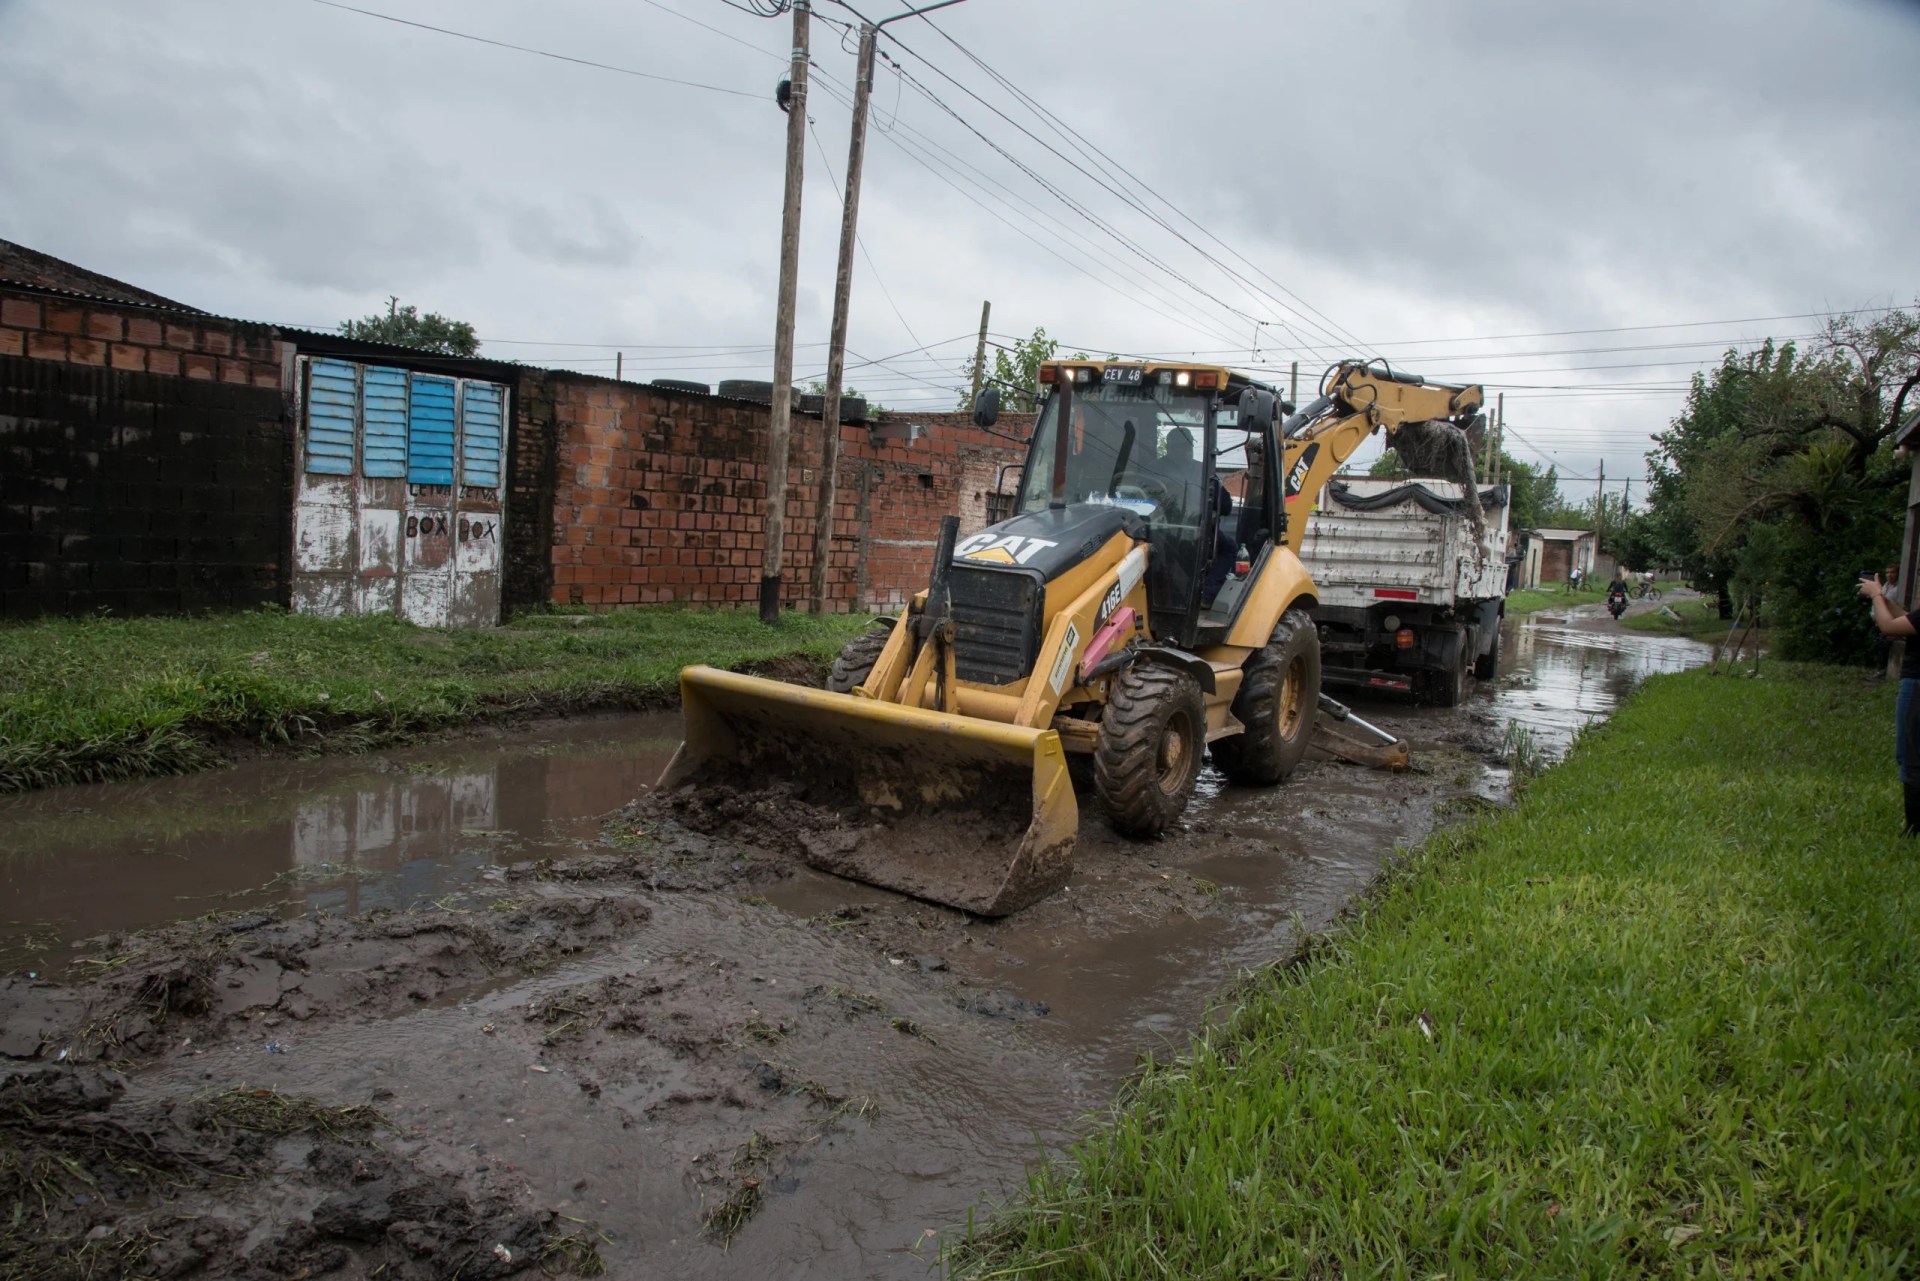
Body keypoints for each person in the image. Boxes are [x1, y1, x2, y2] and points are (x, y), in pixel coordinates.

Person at [1859, 571, 1920, 835]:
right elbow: (1903, 617)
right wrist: (1882, 596)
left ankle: (1914, 827)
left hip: (1917, 685)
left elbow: (1888, 626)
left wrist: (1874, 596)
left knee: (1910, 755)